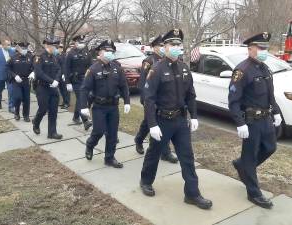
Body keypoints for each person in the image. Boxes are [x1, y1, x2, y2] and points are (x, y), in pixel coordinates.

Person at [139, 29, 212, 210]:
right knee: (154, 153)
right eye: (173, 45)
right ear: (164, 47)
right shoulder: (156, 69)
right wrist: (152, 124)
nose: (176, 48)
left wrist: (194, 116)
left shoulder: (184, 68)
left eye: (179, 45)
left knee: (187, 157)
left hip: (180, 121)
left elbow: (191, 95)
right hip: (162, 121)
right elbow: (149, 100)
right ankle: (146, 181)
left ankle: (192, 194)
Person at [228, 32, 282, 209]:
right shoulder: (242, 70)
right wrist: (240, 123)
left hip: (266, 119)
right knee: (250, 156)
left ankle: (242, 166)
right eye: (260, 48)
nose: (263, 51)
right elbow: (233, 101)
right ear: (250, 49)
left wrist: (276, 112)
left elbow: (270, 94)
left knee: (270, 147)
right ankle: (254, 193)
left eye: (265, 48)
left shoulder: (265, 68)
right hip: (251, 121)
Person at [80, 40, 130, 168]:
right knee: (99, 131)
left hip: (113, 106)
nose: (109, 54)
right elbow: (84, 89)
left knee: (113, 134)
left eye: (111, 52)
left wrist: (127, 102)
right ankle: (90, 144)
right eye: (107, 51)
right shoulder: (93, 69)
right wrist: (83, 106)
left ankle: (109, 158)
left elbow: (124, 86)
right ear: (100, 52)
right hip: (99, 107)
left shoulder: (117, 68)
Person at [134, 35, 178, 164]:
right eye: (159, 46)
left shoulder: (169, 60)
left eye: (163, 45)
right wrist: (145, 100)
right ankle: (139, 140)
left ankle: (165, 152)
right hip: (152, 100)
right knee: (149, 122)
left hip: (165, 101)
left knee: (161, 125)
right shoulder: (149, 61)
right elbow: (143, 83)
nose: (162, 48)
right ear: (154, 47)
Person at [32, 37, 63, 140]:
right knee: (43, 109)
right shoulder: (39, 57)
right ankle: (36, 122)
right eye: (52, 46)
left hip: (53, 88)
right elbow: (39, 73)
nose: (54, 48)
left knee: (53, 111)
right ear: (46, 45)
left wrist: (57, 80)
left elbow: (59, 69)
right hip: (42, 87)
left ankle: (52, 133)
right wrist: (51, 81)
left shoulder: (54, 57)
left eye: (55, 46)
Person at [65, 35, 93, 130]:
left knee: (83, 99)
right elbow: (66, 68)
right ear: (75, 43)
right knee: (81, 98)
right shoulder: (71, 53)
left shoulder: (86, 53)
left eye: (82, 42)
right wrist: (67, 82)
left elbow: (91, 66)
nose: (81, 44)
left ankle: (76, 117)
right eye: (79, 42)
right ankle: (85, 121)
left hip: (85, 80)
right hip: (75, 80)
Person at [8, 42, 35, 122]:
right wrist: (14, 76)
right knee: (18, 97)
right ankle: (16, 112)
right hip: (16, 81)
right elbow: (8, 68)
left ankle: (26, 115)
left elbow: (35, 67)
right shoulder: (13, 57)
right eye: (22, 48)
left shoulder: (31, 57)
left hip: (26, 80)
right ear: (18, 48)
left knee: (26, 99)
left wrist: (33, 72)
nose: (24, 50)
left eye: (25, 48)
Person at [57, 44, 71, 109]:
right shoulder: (56, 55)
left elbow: (64, 66)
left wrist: (64, 74)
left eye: (61, 48)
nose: (60, 49)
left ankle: (67, 103)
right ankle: (64, 101)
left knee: (65, 90)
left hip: (63, 75)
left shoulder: (64, 55)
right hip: (58, 75)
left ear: (62, 49)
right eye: (59, 48)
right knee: (61, 90)